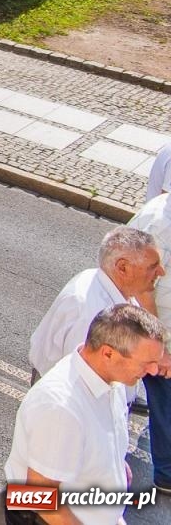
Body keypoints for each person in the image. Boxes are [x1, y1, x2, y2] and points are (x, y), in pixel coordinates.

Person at [3, 305, 165, 525]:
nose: (155, 371)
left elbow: (100, 445)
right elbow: (38, 498)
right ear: (108, 353)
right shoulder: (61, 408)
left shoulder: (111, 380)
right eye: (147, 363)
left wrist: (114, 471)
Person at [29, 226, 162, 380]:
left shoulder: (110, 286)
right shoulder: (91, 313)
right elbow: (80, 378)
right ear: (123, 267)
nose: (161, 272)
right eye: (152, 267)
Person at [127, 194, 171, 494]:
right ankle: (166, 473)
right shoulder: (159, 224)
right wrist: (160, 346)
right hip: (161, 333)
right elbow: (143, 290)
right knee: (166, 401)